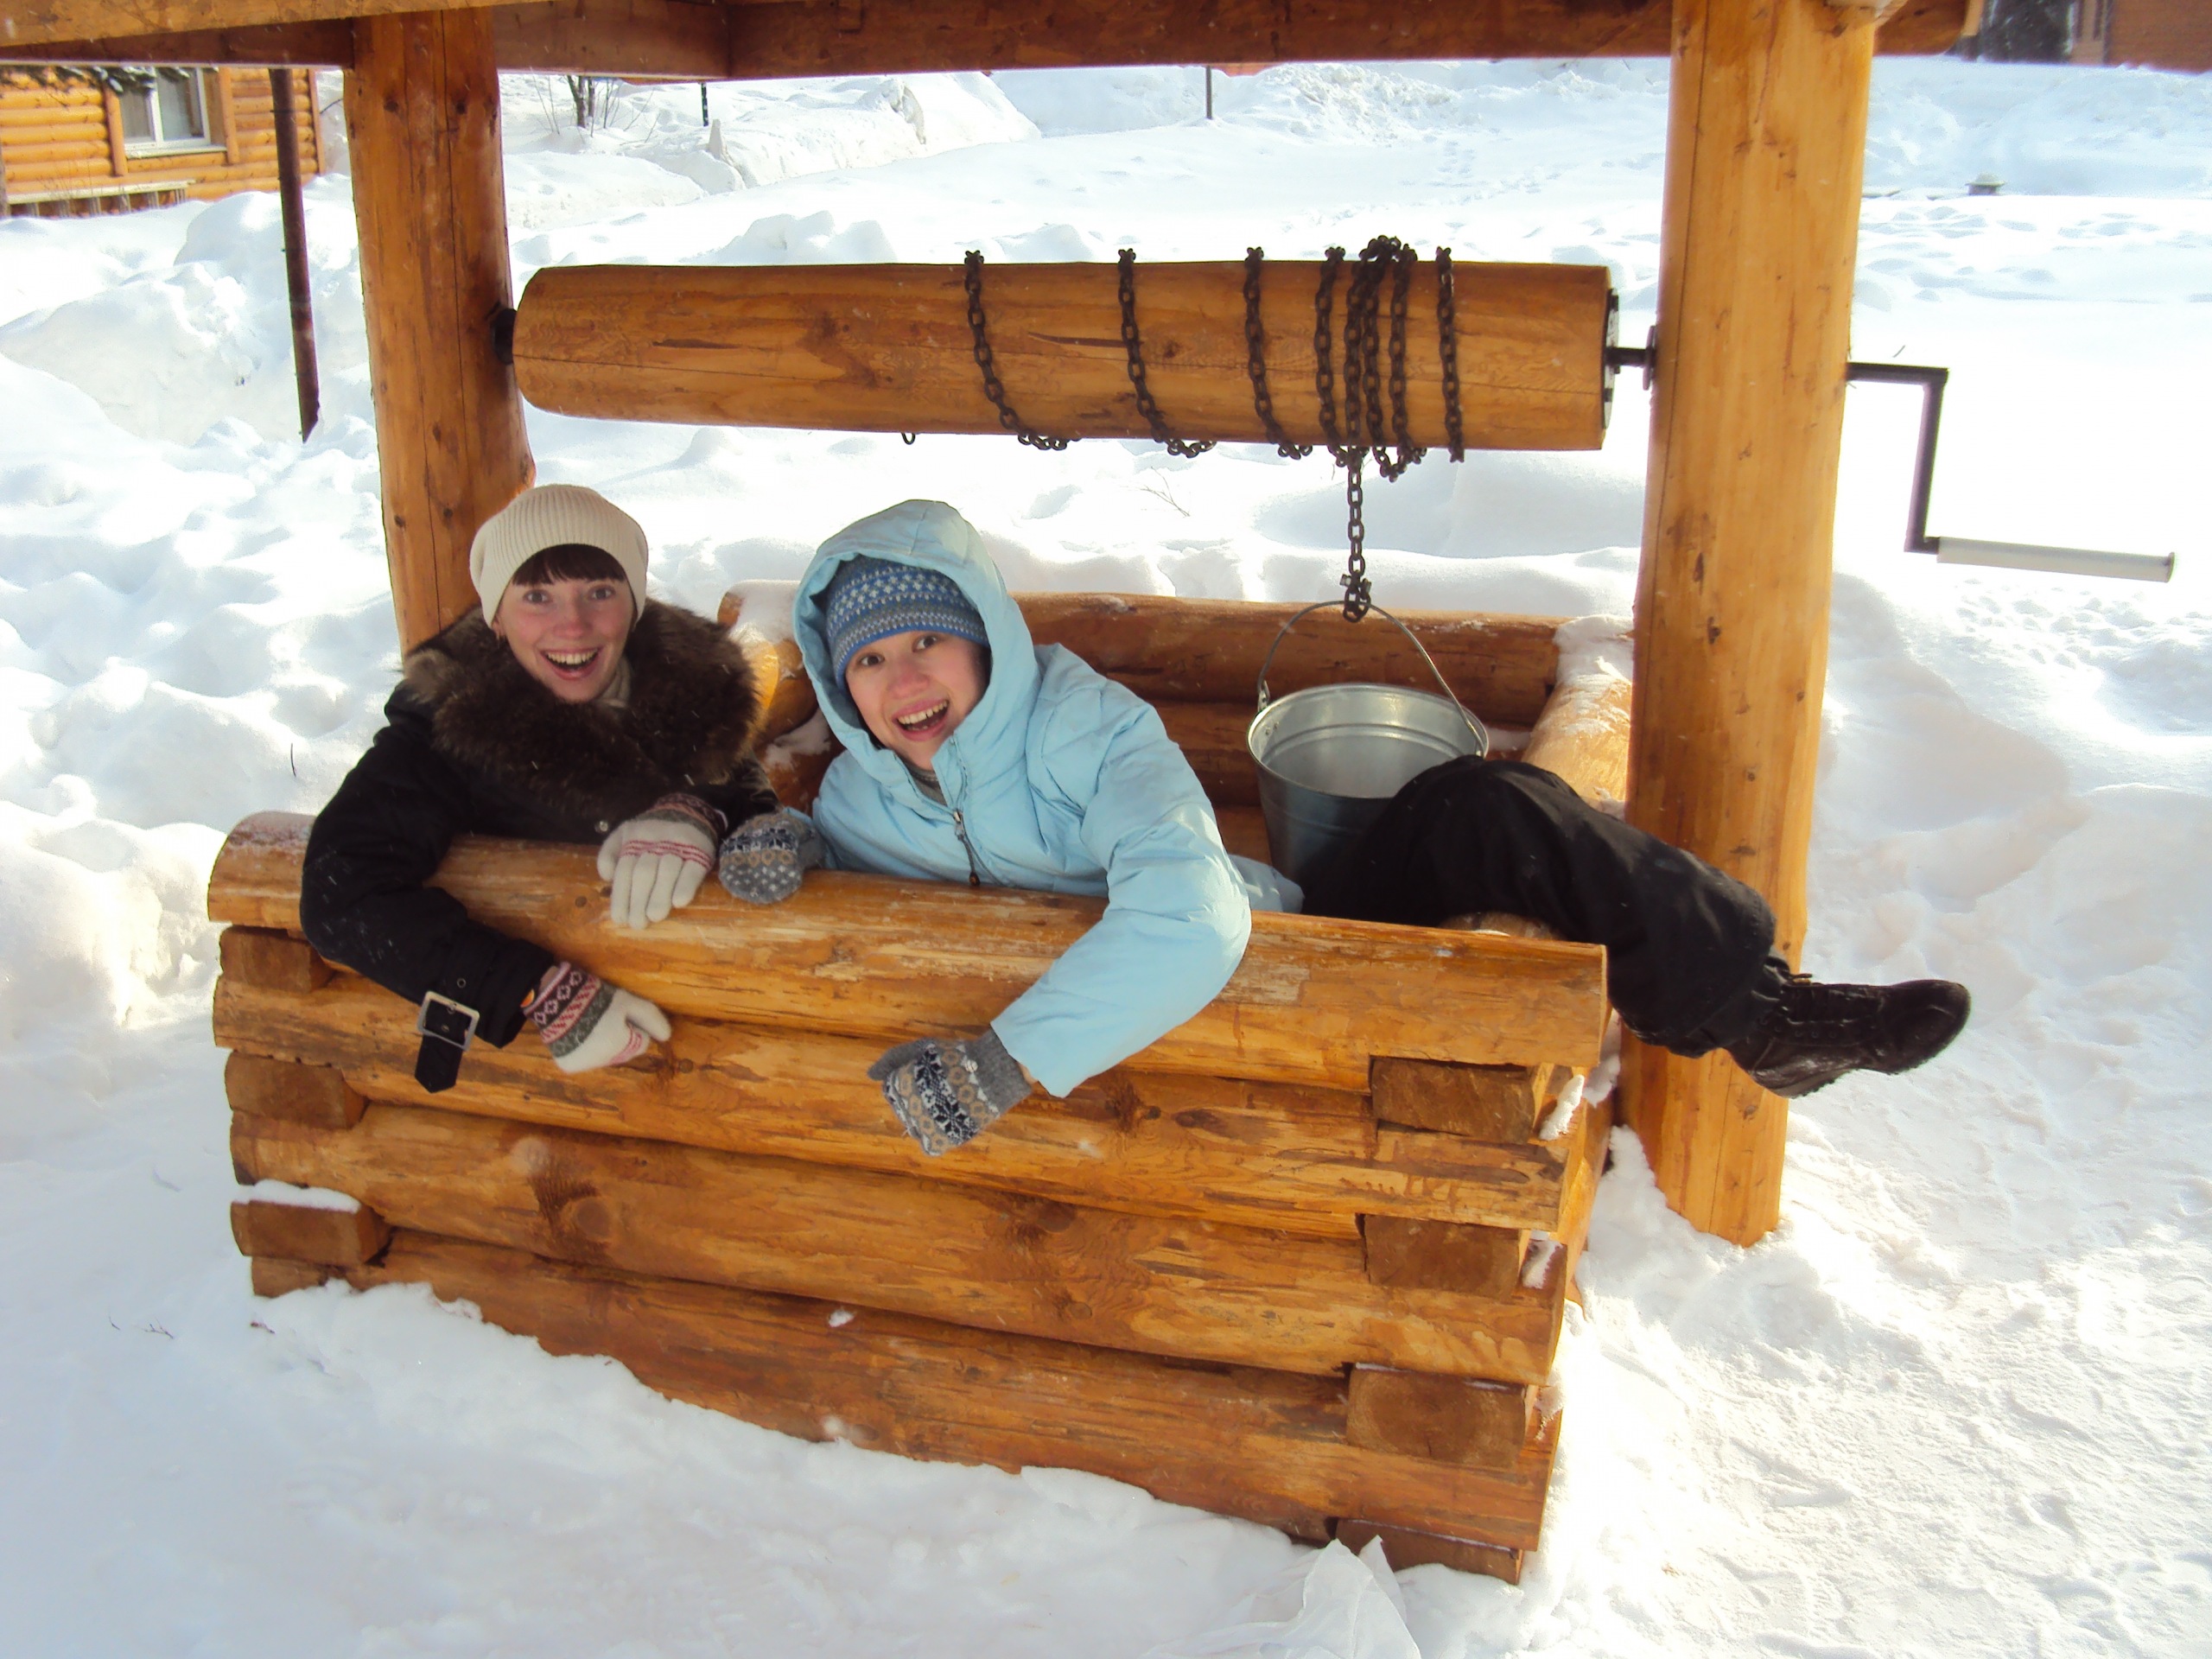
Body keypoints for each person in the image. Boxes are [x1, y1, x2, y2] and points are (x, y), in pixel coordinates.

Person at [716, 499, 1969, 1154]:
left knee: (1488, 802)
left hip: (1286, 956)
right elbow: (864, 858)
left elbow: (1193, 914)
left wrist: (1008, 1061)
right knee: (1491, 804)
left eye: (927, 640)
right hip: (1190, 1069)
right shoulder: (858, 793)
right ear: (839, 686)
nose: (904, 679)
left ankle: (1761, 1015)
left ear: (985, 638)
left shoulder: (1091, 731)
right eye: (868, 660)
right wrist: (800, 848)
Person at [301, 484, 779, 1093]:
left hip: (719, 1074)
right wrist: (532, 988)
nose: (572, 625)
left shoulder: (699, 700)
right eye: (537, 597)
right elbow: (340, 890)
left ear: (633, 606)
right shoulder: (446, 730)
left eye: (599, 592)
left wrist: (696, 811)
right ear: (496, 617)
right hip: (526, 1096)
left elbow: (761, 815)